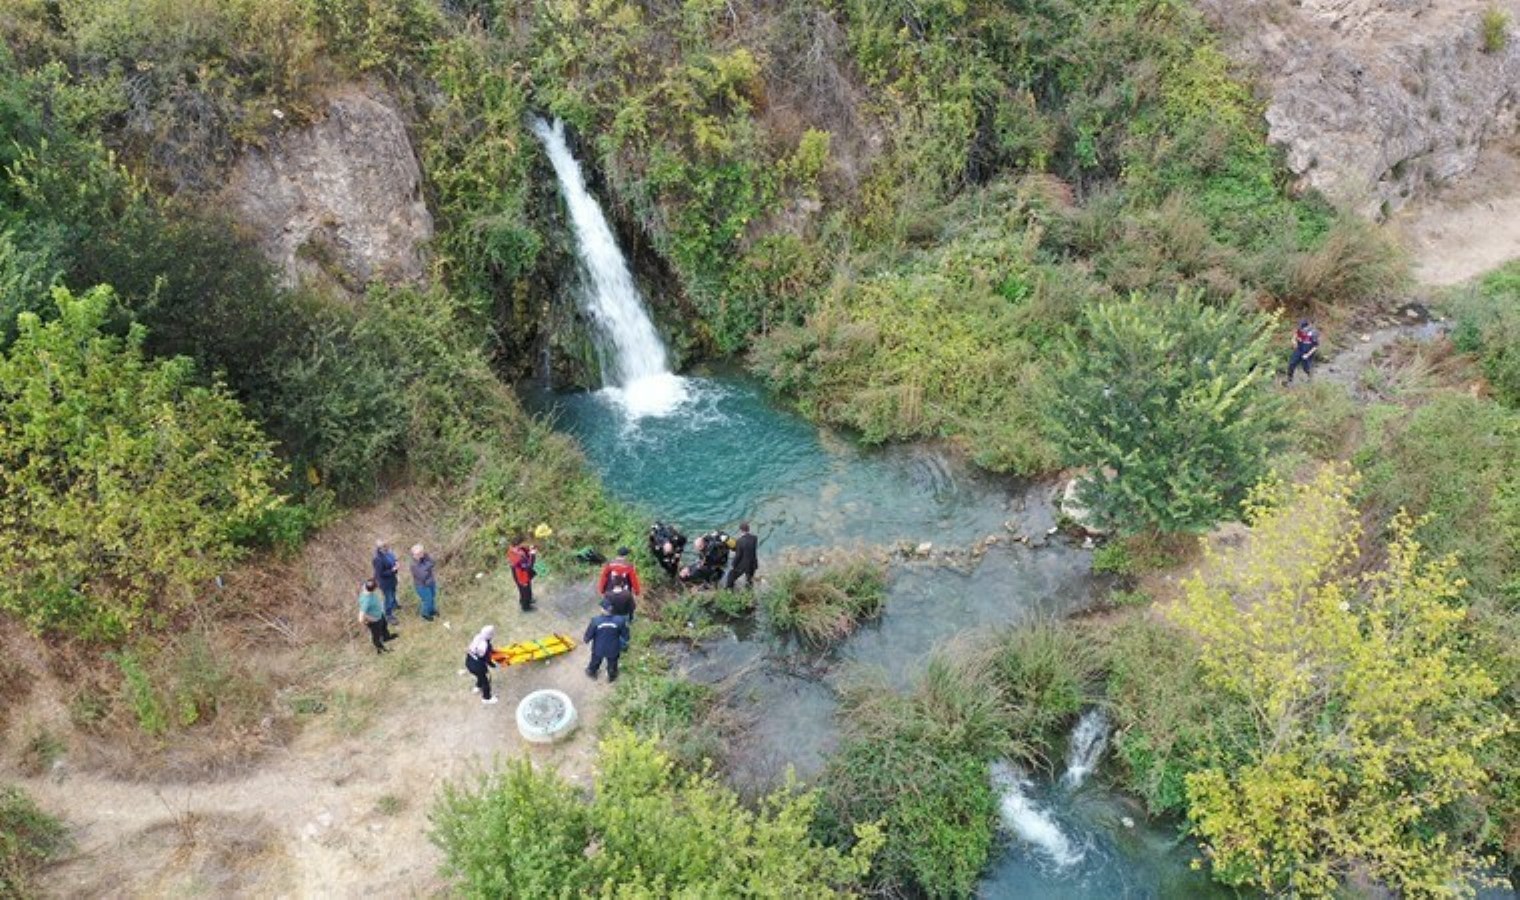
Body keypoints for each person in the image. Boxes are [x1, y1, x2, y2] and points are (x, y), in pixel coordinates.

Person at [584, 611, 630, 682]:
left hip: (599, 647)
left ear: (602, 610)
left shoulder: (596, 620)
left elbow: (589, 633)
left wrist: (586, 639)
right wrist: (625, 641)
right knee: (612, 663)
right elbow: (625, 635)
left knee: (595, 660)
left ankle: (592, 672)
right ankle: (611, 676)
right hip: (613, 648)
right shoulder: (620, 620)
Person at [357, 579, 396, 654]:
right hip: (375, 621)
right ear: (374, 589)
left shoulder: (366, 590)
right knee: (376, 636)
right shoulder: (366, 601)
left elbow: (367, 584)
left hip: (379, 615)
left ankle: (386, 637)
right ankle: (380, 650)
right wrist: (372, 619)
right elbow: (361, 618)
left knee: (384, 626)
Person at [464, 625, 499, 704]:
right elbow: (487, 659)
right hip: (477, 665)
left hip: (469, 661)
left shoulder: (477, 637)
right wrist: (493, 665)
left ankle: (477, 687)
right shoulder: (486, 646)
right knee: (486, 681)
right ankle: (486, 698)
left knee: (480, 676)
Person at [372, 540, 401, 625]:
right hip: (384, 582)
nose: (386, 548)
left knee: (393, 592)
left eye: (386, 546)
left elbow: (394, 558)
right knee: (389, 598)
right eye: (384, 547)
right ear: (379, 548)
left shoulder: (389, 553)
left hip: (392, 579)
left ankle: (394, 605)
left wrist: (396, 563)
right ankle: (388, 615)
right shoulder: (377, 559)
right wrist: (392, 570)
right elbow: (380, 574)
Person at [507, 535, 538, 612]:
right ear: (519, 543)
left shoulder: (515, 548)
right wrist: (533, 555)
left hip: (521, 572)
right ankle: (526, 607)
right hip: (520, 574)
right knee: (525, 590)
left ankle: (527, 600)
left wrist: (531, 549)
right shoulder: (516, 555)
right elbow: (528, 565)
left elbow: (526, 551)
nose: (526, 544)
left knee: (525, 588)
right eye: (524, 543)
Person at [725, 522, 759, 590]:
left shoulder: (739, 541)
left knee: (731, 575)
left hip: (744, 565)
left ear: (741, 530)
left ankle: (729, 590)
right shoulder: (755, 538)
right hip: (753, 563)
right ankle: (749, 590)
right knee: (749, 579)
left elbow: (738, 555)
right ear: (748, 529)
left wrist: (733, 564)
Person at [411, 544, 439, 621]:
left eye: (421, 552)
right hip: (422, 586)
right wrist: (428, 566)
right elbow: (422, 576)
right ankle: (425, 614)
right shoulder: (413, 564)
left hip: (431, 582)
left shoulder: (424, 558)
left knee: (432, 597)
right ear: (414, 555)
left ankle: (432, 610)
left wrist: (426, 556)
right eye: (418, 553)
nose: (421, 554)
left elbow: (433, 562)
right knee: (427, 600)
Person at [1287, 319, 1320, 383]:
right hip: (1299, 349)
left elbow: (1315, 346)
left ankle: (1310, 379)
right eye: (1300, 329)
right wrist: (1293, 341)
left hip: (1308, 351)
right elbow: (1294, 337)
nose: (1301, 330)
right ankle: (1289, 379)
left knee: (1306, 367)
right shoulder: (1299, 330)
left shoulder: (1313, 333)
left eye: (1303, 329)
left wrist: (1308, 355)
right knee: (1291, 363)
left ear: (1307, 327)